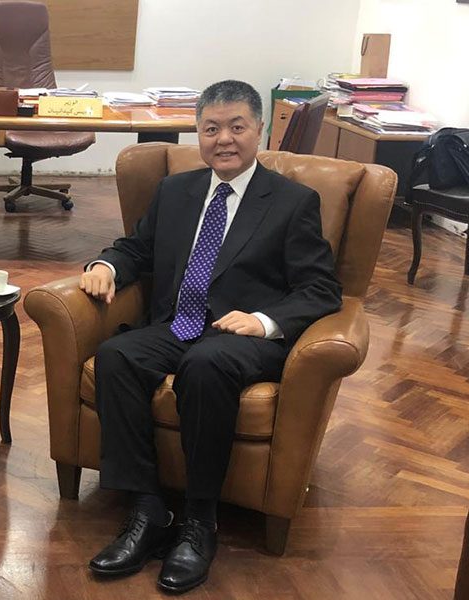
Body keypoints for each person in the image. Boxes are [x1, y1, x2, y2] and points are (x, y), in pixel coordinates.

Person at [80, 80, 342, 593]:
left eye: (237, 127)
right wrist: (106, 266)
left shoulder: (292, 202)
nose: (224, 139)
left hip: (241, 336)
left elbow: (321, 288)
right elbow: (137, 248)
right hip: (178, 323)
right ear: (198, 134)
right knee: (116, 356)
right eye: (211, 129)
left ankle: (200, 520)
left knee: (204, 366)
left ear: (259, 130)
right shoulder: (176, 191)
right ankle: (148, 510)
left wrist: (263, 320)